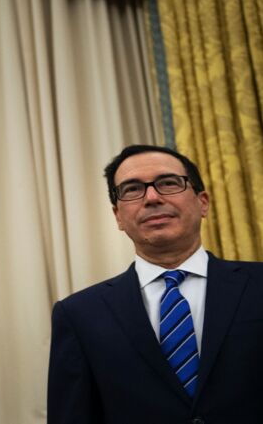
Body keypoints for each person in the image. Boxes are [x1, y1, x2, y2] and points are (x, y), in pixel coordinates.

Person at [48, 144, 263, 423]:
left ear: (203, 202)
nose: (151, 197)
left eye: (168, 183)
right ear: (118, 216)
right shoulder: (78, 314)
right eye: (132, 190)